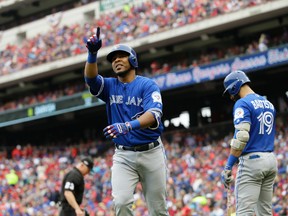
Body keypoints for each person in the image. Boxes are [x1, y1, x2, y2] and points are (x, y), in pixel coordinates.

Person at [84, 27, 168, 216]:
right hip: (123, 156)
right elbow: (90, 79)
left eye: (121, 56)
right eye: (113, 59)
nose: (116, 61)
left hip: (151, 152)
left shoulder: (147, 84)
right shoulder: (110, 85)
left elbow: (154, 114)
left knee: (158, 209)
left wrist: (128, 126)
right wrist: (92, 54)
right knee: (121, 203)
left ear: (133, 60)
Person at [221, 70, 278, 215]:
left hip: (252, 162)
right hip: (270, 160)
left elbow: (241, 137)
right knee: (265, 212)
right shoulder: (268, 103)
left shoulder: (242, 103)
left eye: (230, 92)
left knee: (244, 213)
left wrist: (229, 165)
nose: (231, 96)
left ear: (235, 86)